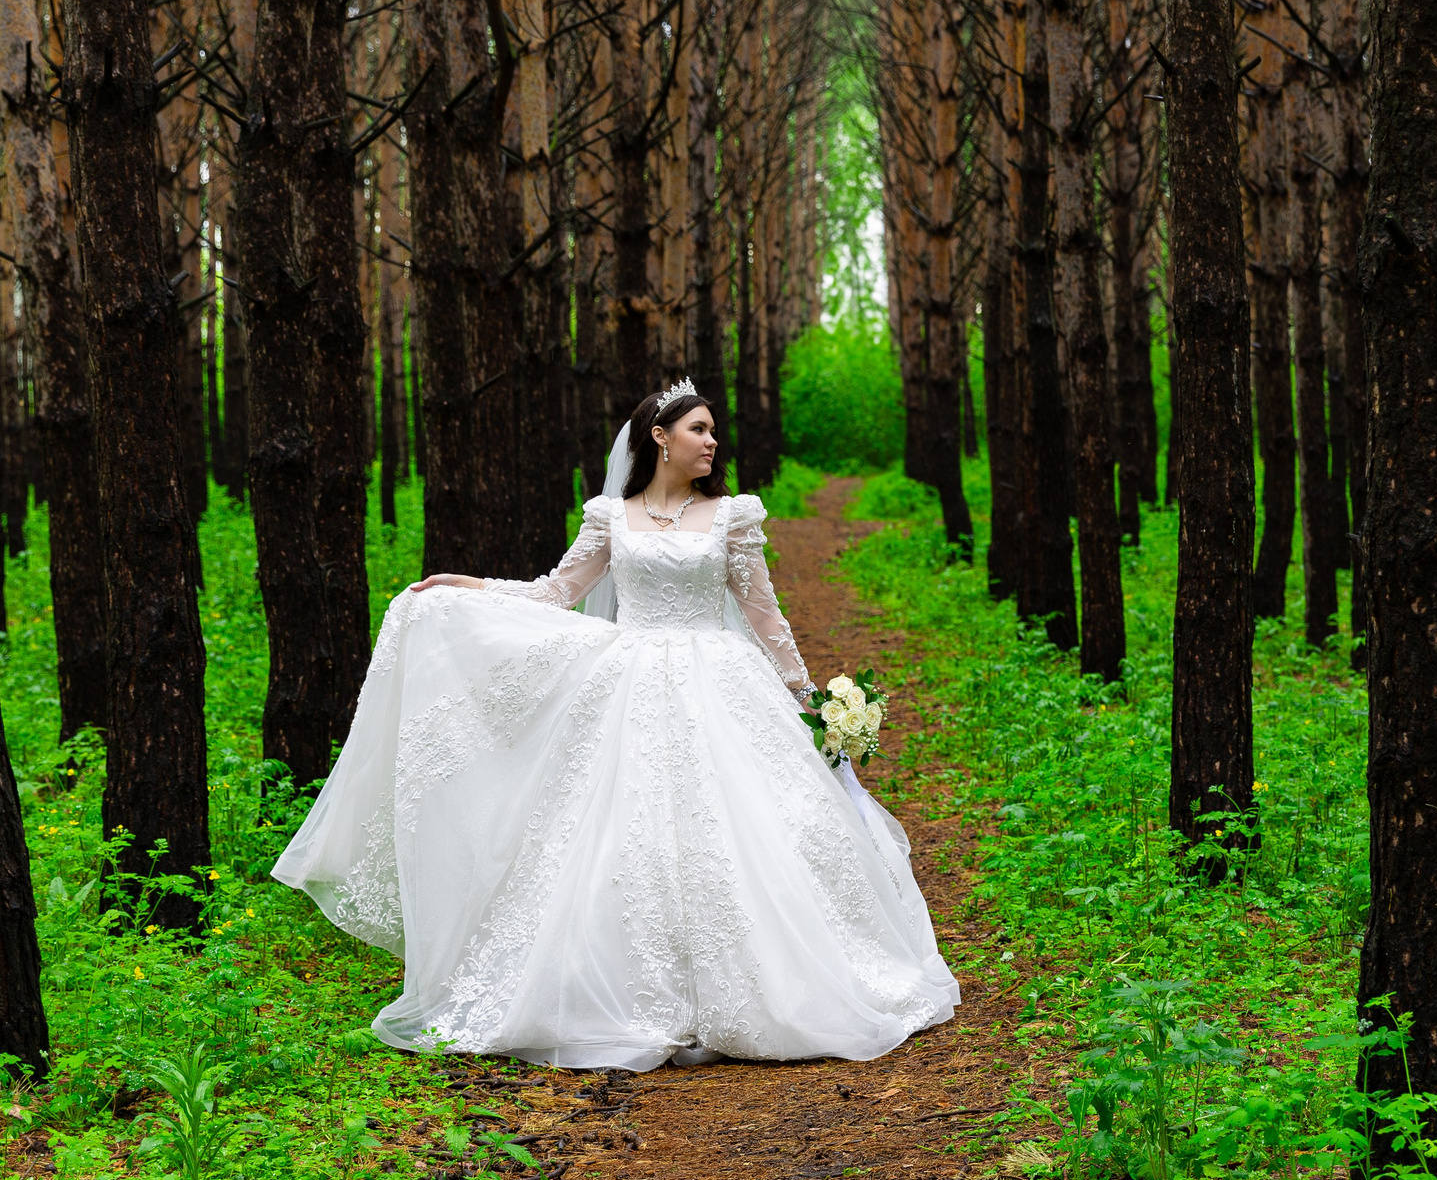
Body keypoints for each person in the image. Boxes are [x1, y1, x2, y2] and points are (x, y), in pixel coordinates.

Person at [274, 380, 960, 1070]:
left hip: (721, 682)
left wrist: (812, 698)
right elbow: (555, 594)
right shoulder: (611, 516)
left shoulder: (731, 516)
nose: (711, 441)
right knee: (617, 834)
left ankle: (763, 981)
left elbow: (763, 615)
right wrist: (470, 588)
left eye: (713, 431)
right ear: (660, 437)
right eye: (698, 429)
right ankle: (624, 988)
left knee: (742, 827)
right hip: (627, 680)